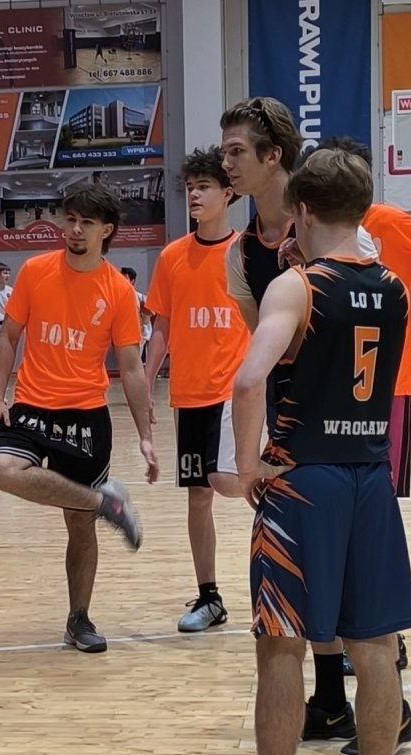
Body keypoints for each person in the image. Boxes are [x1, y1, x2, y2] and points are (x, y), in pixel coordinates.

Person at [196, 148, 411, 755]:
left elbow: (247, 380)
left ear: (302, 210)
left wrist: (250, 465)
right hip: (371, 478)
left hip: (305, 480)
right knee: (376, 646)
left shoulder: (297, 286)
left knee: (281, 646)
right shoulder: (394, 288)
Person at [303, 139, 411, 749]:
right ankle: (335, 695)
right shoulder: (310, 235)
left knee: (368, 527)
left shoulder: (388, 222)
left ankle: (387, 666)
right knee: (339, 529)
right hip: (332, 400)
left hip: (385, 393)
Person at [0, 183, 158, 653]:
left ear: (107, 231)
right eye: (70, 219)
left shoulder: (118, 291)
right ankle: (105, 503)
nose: (75, 229)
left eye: (87, 223)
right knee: (1, 469)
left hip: (86, 415)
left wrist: (145, 435)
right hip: (32, 407)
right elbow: (8, 338)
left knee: (79, 526)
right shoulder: (35, 271)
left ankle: (79, 619)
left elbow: (132, 367)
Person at [143, 147, 249, 633]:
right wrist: (145, 383)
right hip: (189, 394)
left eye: (204, 187)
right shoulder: (172, 257)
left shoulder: (247, 252)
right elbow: (161, 328)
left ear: (228, 193)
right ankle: (210, 598)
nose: (194, 195)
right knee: (199, 496)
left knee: (232, 482)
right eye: (190, 188)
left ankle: (287, 573)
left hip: (235, 391)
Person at [120, 266, 152, 360]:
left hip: (139, 335)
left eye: (125, 278)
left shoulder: (140, 298)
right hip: (123, 335)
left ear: (132, 280)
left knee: (138, 362)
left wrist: (143, 331)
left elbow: (148, 315)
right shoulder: (117, 298)